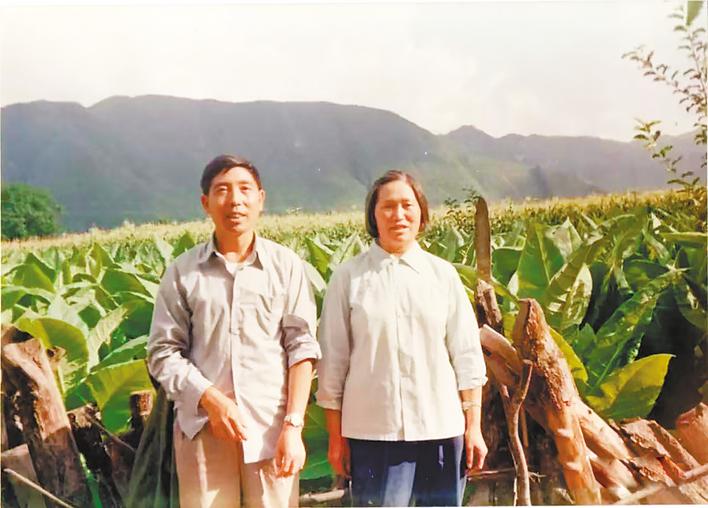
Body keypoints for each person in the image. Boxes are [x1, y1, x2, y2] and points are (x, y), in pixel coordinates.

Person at [147, 154, 321, 508]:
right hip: (203, 430)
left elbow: (302, 347)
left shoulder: (286, 266)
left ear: (261, 199)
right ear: (206, 203)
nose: (235, 200)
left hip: (272, 430)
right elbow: (162, 353)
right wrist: (210, 398)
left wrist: (293, 427)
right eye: (222, 190)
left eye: (244, 189)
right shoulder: (182, 272)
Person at [316, 170, 488, 507]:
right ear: (373, 216)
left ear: (421, 213)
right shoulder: (349, 277)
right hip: (373, 433)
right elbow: (333, 363)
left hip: (441, 428)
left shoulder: (442, 275)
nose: (399, 215)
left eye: (407, 205)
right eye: (388, 207)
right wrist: (336, 438)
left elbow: (466, 355)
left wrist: (473, 427)